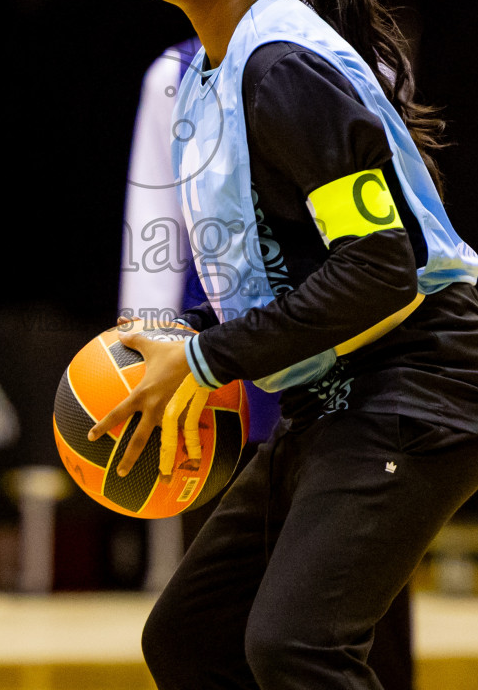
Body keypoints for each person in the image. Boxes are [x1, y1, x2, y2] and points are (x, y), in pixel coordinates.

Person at [90, 0, 478, 690]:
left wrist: (207, 359)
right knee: (189, 638)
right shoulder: (212, 73)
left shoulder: (285, 70)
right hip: (334, 392)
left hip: (423, 385)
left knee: (294, 647)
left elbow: (380, 266)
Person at [118, 39, 414, 689]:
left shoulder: (351, 58)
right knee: (210, 627)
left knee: (352, 629)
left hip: (355, 370)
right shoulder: (173, 73)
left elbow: (400, 243)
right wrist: (141, 345)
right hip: (221, 369)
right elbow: (154, 225)